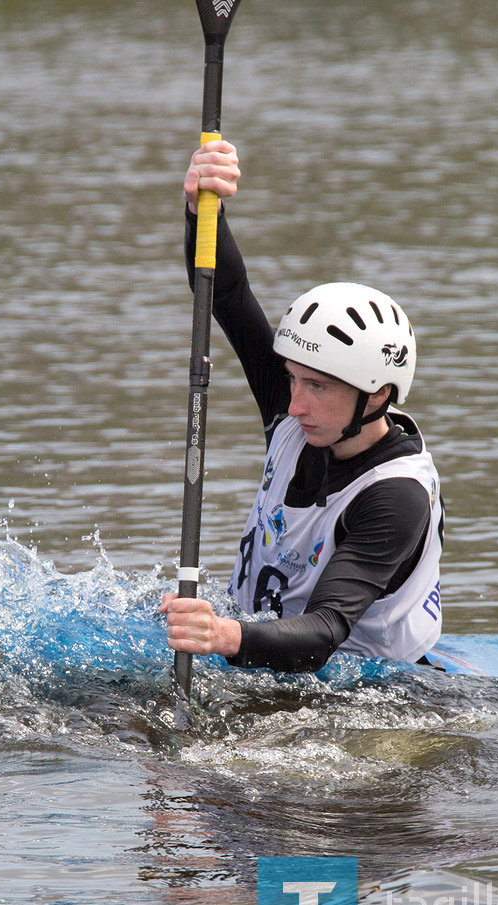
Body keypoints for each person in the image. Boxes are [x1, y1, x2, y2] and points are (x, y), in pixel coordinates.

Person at [159, 140, 444, 672]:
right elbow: (227, 295)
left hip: (369, 688)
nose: (292, 405)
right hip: (259, 651)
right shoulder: (301, 415)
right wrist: (203, 209)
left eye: (317, 387)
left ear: (377, 394)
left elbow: (324, 632)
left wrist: (221, 634)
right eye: (293, 379)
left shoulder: (395, 498)